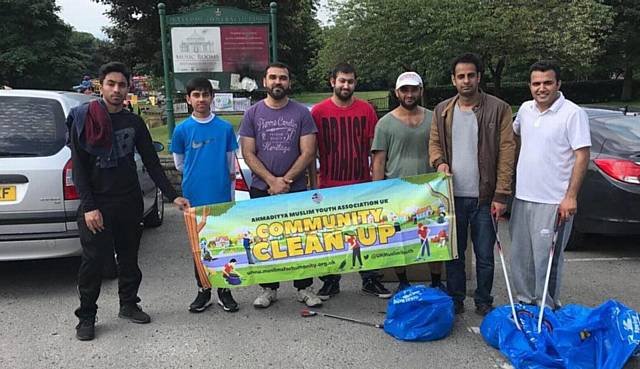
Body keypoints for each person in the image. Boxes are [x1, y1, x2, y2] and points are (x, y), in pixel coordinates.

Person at [68, 62, 189, 341]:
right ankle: (86, 315)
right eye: (111, 84)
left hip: (129, 201)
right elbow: (79, 168)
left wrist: (173, 196)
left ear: (128, 88)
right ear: (102, 85)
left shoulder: (134, 122)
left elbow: (151, 162)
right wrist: (89, 207)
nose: (116, 90)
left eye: (122, 85)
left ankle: (129, 304)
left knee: (129, 258)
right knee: (93, 262)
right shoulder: (84, 118)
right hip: (97, 204)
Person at [428, 53, 516, 316]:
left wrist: (501, 194)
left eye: (471, 75)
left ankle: (483, 299)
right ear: (453, 80)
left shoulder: (499, 109)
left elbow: (507, 152)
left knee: (485, 255)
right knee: (454, 254)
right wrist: (439, 162)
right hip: (452, 196)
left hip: (484, 197)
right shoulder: (442, 110)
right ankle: (455, 298)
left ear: (479, 77)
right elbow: (433, 143)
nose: (466, 81)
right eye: (461, 76)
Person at [238, 62, 321, 308]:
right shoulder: (252, 114)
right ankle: (268, 289)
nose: (278, 82)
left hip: (295, 190)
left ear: (289, 82)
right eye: (273, 77)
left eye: (282, 78)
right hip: (262, 189)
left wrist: (285, 181)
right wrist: (271, 181)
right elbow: (248, 153)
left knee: (300, 240)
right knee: (264, 240)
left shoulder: (302, 114)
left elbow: (308, 152)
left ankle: (304, 287)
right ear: (265, 82)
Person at [510, 61, 590, 309]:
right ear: (530, 86)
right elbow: (515, 139)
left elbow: (582, 155)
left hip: (553, 202)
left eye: (547, 83)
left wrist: (571, 196)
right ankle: (525, 303)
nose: (541, 88)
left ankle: (546, 306)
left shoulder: (573, 113)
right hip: (523, 197)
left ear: (558, 84)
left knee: (547, 260)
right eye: (536, 83)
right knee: (521, 258)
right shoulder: (524, 109)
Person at [310, 62, 392, 300]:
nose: (346, 85)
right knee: (331, 237)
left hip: (360, 184)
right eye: (342, 81)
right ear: (332, 82)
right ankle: (330, 282)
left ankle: (370, 279)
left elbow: (374, 150)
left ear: (355, 83)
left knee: (366, 235)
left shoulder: (366, 110)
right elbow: (310, 151)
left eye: (351, 81)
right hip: (329, 185)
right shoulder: (318, 112)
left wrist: (375, 186)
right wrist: (313, 186)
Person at [171, 77, 239, 313]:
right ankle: (203, 290)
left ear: (212, 97)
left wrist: (230, 195)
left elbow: (231, 164)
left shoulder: (224, 128)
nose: (201, 99)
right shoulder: (182, 130)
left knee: (223, 244)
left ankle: (224, 290)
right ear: (188, 99)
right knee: (198, 247)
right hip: (194, 197)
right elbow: (180, 164)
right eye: (196, 95)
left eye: (205, 94)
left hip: (221, 195)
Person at [372, 71, 443, 294]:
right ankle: (403, 280)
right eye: (404, 90)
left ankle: (436, 280)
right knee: (399, 239)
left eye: (413, 89)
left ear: (421, 91)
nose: (409, 94)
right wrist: (377, 192)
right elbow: (379, 160)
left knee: (432, 237)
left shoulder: (434, 119)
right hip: (396, 190)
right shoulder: (385, 124)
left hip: (429, 189)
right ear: (397, 92)